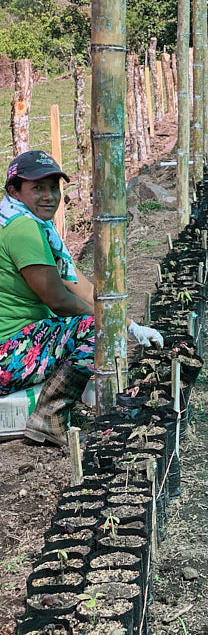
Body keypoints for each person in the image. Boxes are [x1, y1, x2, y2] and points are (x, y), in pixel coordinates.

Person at [0, 150, 163, 447]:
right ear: (14, 190)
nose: (50, 196)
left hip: (14, 345)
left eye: (54, 187)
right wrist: (109, 325)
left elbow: (75, 282)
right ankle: (49, 418)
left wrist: (129, 324)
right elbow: (59, 300)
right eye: (38, 188)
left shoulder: (22, 221)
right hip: (7, 354)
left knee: (94, 324)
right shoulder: (23, 229)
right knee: (93, 329)